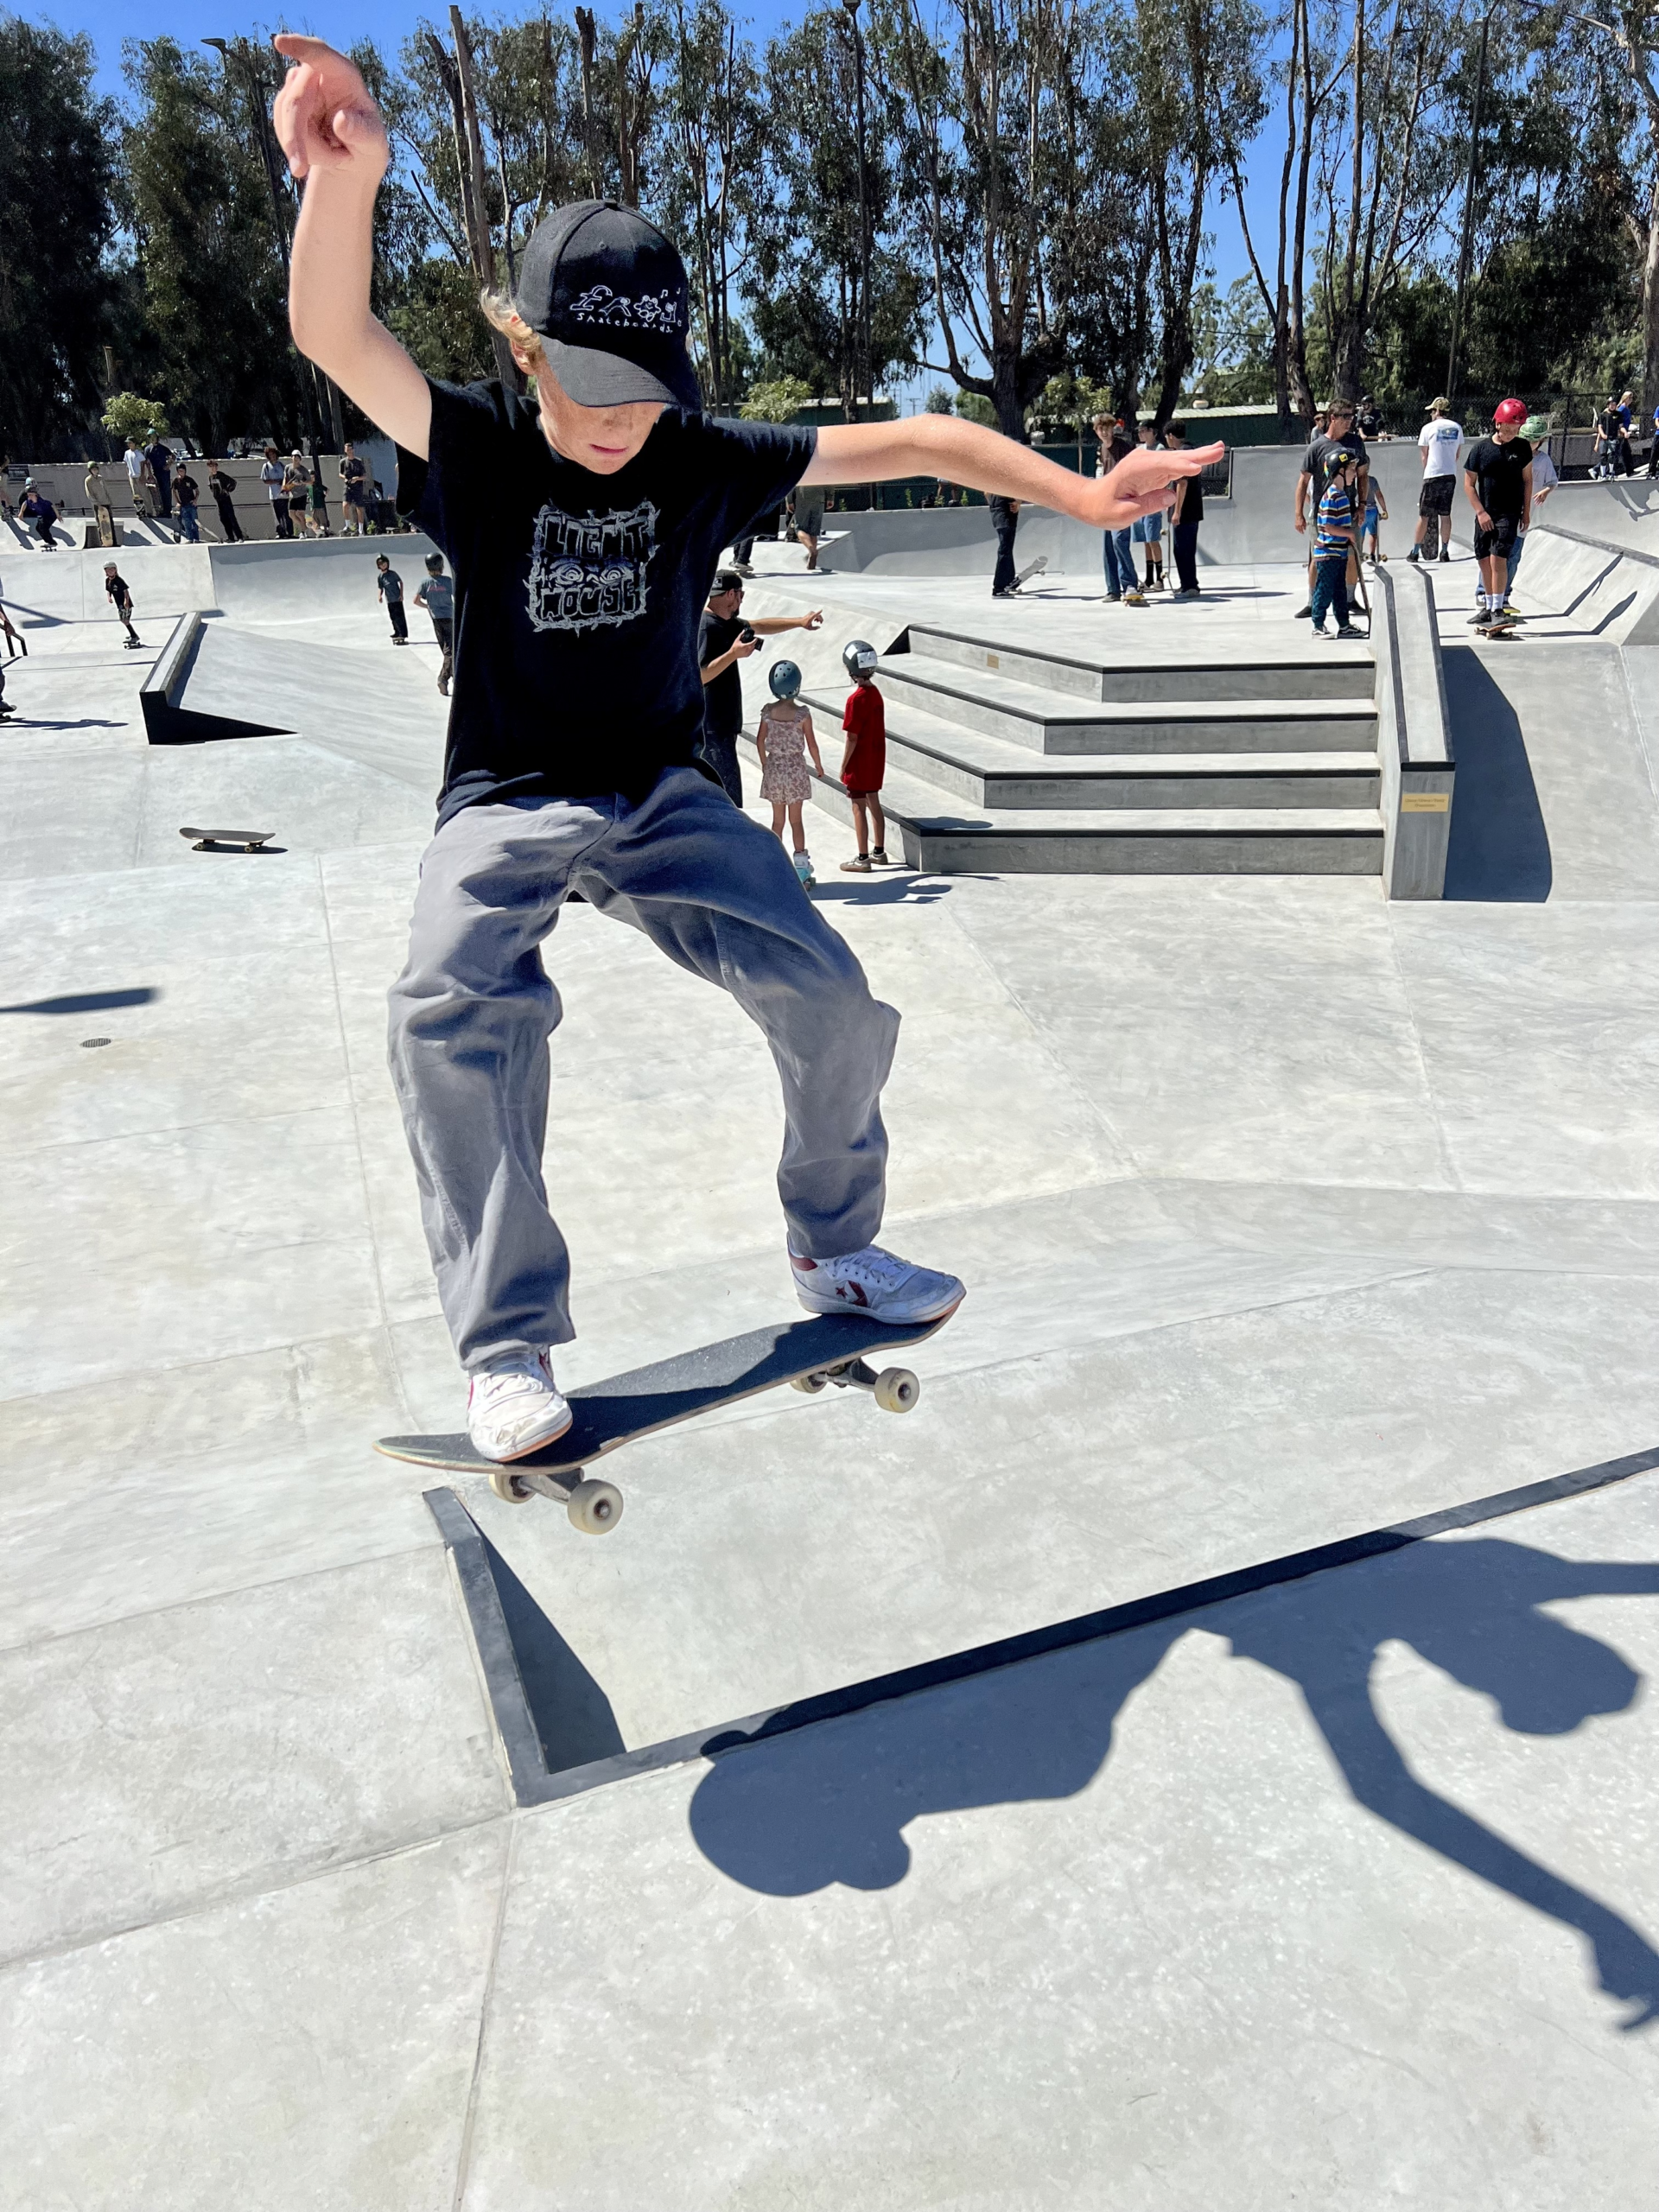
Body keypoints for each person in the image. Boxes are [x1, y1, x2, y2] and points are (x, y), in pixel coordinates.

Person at [270, 30, 1217, 1459]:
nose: (617, 424)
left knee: (832, 995)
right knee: (445, 1009)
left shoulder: (705, 451)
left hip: (663, 795)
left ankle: (834, 1248)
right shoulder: (471, 443)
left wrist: (1080, 498)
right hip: (511, 797)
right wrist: (351, 181)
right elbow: (336, 336)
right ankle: (507, 1340)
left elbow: (924, 439)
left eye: (645, 392)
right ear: (522, 351)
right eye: (585, 389)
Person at [696, 571, 822, 805]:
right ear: (731, 594)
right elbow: (701, 675)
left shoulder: (727, 623)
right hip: (712, 729)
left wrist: (799, 622)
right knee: (726, 802)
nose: (741, 601)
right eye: (741, 595)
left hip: (722, 727)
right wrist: (732, 655)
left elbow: (760, 625)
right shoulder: (705, 627)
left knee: (728, 798)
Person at [1463, 397, 1533, 632]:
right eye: (1508, 428)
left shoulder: (1522, 448)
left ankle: (1498, 609)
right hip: (1485, 513)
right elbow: (1469, 484)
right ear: (1497, 424)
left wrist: (1526, 511)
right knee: (1483, 559)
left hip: (1508, 514)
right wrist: (1480, 512)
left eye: (1516, 429)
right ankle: (1487, 607)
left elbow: (1527, 479)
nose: (1512, 433)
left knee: (1498, 560)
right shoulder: (1481, 449)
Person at [1293, 401, 1367, 612]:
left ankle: (1350, 599)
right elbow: (1303, 481)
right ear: (1332, 418)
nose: (1349, 420)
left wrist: (1362, 505)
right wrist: (1298, 514)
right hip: (1321, 513)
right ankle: (1312, 602)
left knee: (1352, 557)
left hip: (1349, 511)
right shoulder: (1317, 447)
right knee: (1319, 559)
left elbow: (1363, 476)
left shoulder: (1355, 443)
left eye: (1351, 416)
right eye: (1344, 416)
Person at [755, 658, 823, 883]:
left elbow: (760, 740)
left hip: (774, 768)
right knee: (796, 820)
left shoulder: (767, 712)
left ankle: (775, 864)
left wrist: (765, 763)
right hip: (795, 770)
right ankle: (802, 867)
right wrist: (818, 764)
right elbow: (812, 743)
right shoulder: (802, 715)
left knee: (778, 821)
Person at [838, 638, 891, 871]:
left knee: (858, 807)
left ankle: (862, 858)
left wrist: (843, 766)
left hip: (859, 762)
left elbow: (852, 737)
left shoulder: (855, 700)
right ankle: (879, 851)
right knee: (874, 803)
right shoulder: (875, 693)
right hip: (876, 759)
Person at [1309, 452, 1363, 639]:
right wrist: (1349, 533)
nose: (1355, 473)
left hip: (1338, 553)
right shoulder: (1333, 496)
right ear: (1339, 471)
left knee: (1339, 591)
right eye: (1351, 469)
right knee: (1324, 589)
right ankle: (1317, 624)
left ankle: (1344, 624)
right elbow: (1329, 526)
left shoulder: (1341, 495)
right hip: (1328, 553)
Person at [1091, 416, 1142, 605]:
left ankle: (1130, 584)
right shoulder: (1101, 449)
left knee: (1119, 541)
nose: (1104, 432)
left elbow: (1135, 469)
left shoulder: (1123, 447)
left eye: (1107, 428)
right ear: (1096, 431)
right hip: (1106, 502)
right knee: (1108, 546)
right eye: (1100, 429)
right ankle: (1112, 589)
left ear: (1113, 429)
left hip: (1122, 501)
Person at [1406, 397, 1460, 564]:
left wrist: (1427, 472)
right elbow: (1457, 454)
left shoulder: (1428, 428)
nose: (1430, 414)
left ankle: (1415, 552)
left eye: (1432, 411)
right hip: (1450, 475)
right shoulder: (1457, 428)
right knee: (1445, 515)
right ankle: (1444, 551)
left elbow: (1425, 455)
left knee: (1424, 516)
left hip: (1432, 475)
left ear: (1437, 411)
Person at [1165, 421, 1203, 594]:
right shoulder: (1191, 451)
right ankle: (1186, 583)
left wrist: (1177, 511)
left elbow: (1182, 483)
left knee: (1183, 550)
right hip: (1193, 509)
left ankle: (1190, 586)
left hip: (1186, 511)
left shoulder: (1182, 454)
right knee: (1182, 549)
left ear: (1171, 436)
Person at [413, 550, 455, 694]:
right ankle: (443, 679)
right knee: (450, 650)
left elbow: (416, 601)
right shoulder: (448, 581)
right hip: (450, 618)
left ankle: (454, 675)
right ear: (442, 566)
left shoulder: (425, 583)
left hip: (436, 619)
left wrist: (428, 607)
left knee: (446, 650)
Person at [1133, 422, 1166, 590]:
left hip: (1152, 500)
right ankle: (1149, 578)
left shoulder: (1159, 449)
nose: (1141, 434)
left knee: (1153, 539)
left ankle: (1160, 579)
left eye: (1144, 431)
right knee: (1145, 540)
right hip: (1141, 499)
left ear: (1153, 432)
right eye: (1139, 431)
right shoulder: (1140, 451)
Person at [988, 492, 1021, 595]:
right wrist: (1018, 501)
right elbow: (1014, 486)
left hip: (996, 511)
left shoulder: (990, 478)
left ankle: (1009, 582)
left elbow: (986, 493)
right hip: (1006, 512)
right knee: (1005, 549)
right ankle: (999, 588)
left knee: (1007, 548)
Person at [103, 563, 142, 645]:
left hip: (125, 604)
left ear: (115, 570)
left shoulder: (119, 580)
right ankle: (133, 635)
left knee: (125, 620)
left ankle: (134, 636)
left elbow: (126, 591)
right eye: (108, 570)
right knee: (122, 619)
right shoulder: (108, 581)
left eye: (112, 570)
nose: (110, 572)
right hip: (119, 604)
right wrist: (109, 597)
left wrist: (126, 601)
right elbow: (109, 591)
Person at [208, 461, 245, 542]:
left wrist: (227, 490)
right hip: (219, 501)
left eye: (214, 466)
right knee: (223, 519)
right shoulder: (210, 477)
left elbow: (233, 482)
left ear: (216, 467)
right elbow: (211, 487)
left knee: (232, 518)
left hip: (226, 500)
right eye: (210, 467)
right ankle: (230, 537)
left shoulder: (221, 475)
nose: (212, 468)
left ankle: (240, 537)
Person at [375, 552, 408, 643]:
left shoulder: (393, 574)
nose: (383, 565)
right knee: (393, 617)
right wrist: (379, 596)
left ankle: (403, 633)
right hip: (389, 600)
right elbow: (380, 587)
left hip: (397, 599)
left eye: (384, 563)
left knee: (400, 616)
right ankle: (397, 632)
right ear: (379, 566)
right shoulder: (381, 577)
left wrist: (401, 594)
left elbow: (401, 582)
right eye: (381, 564)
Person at [261, 446, 292, 537]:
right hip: (274, 494)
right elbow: (265, 480)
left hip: (283, 493)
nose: (273, 456)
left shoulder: (282, 465)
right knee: (277, 514)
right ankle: (280, 532)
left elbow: (287, 478)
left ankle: (289, 532)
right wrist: (276, 481)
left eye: (274, 454)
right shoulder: (266, 466)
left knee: (286, 514)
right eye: (270, 455)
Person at [792, 486, 826, 571]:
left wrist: (788, 500)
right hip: (819, 497)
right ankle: (811, 563)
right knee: (814, 531)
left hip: (802, 497)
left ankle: (811, 549)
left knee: (799, 528)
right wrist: (831, 497)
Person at [19, 482, 58, 551]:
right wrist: (21, 513)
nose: (29, 497)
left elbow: (52, 505)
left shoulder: (41, 501)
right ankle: (49, 541)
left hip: (51, 515)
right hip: (43, 516)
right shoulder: (29, 501)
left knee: (43, 528)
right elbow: (24, 504)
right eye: (28, 495)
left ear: (35, 494)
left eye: (31, 495)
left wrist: (58, 516)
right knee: (38, 528)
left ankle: (52, 542)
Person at [1361, 472, 1389, 563]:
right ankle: (1373, 554)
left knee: (1360, 535)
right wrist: (1384, 509)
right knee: (1373, 534)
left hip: (1361, 511)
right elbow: (1379, 495)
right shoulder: (1372, 480)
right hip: (1372, 511)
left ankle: (1359, 553)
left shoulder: (1355, 480)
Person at [124, 439, 155, 524]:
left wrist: (142, 475)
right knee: (136, 495)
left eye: (131, 442)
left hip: (139, 476)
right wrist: (129, 475)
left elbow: (143, 464)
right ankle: (140, 512)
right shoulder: (127, 453)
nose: (129, 444)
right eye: (128, 443)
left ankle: (149, 512)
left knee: (144, 494)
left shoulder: (138, 453)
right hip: (132, 476)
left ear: (134, 443)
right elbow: (127, 464)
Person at [145, 435, 175, 523]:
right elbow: (147, 462)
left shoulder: (162, 448)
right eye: (151, 437)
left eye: (154, 437)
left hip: (164, 472)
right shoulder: (148, 449)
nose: (153, 439)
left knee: (166, 491)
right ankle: (159, 511)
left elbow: (173, 456)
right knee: (157, 493)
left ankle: (168, 511)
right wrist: (149, 474)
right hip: (155, 472)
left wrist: (169, 465)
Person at [340, 441, 368, 531]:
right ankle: (347, 525)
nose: (348, 451)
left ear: (353, 450)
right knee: (345, 505)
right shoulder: (343, 462)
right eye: (347, 450)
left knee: (359, 507)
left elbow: (364, 476)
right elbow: (340, 474)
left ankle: (360, 528)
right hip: (348, 486)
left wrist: (357, 478)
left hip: (358, 487)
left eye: (350, 449)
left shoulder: (358, 462)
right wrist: (344, 478)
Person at [173, 466, 201, 543]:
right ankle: (190, 538)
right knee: (186, 522)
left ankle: (196, 538)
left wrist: (195, 500)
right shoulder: (176, 481)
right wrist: (178, 501)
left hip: (191, 504)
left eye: (183, 471)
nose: (182, 472)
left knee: (194, 522)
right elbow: (174, 491)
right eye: (180, 471)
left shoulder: (189, 480)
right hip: (183, 505)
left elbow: (197, 491)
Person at [308, 459, 332, 536]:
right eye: (310, 477)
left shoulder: (318, 485)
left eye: (313, 477)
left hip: (320, 505)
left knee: (323, 520)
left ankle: (325, 530)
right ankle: (319, 532)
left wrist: (324, 495)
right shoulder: (308, 486)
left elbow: (327, 489)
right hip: (313, 506)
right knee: (315, 521)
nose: (312, 479)